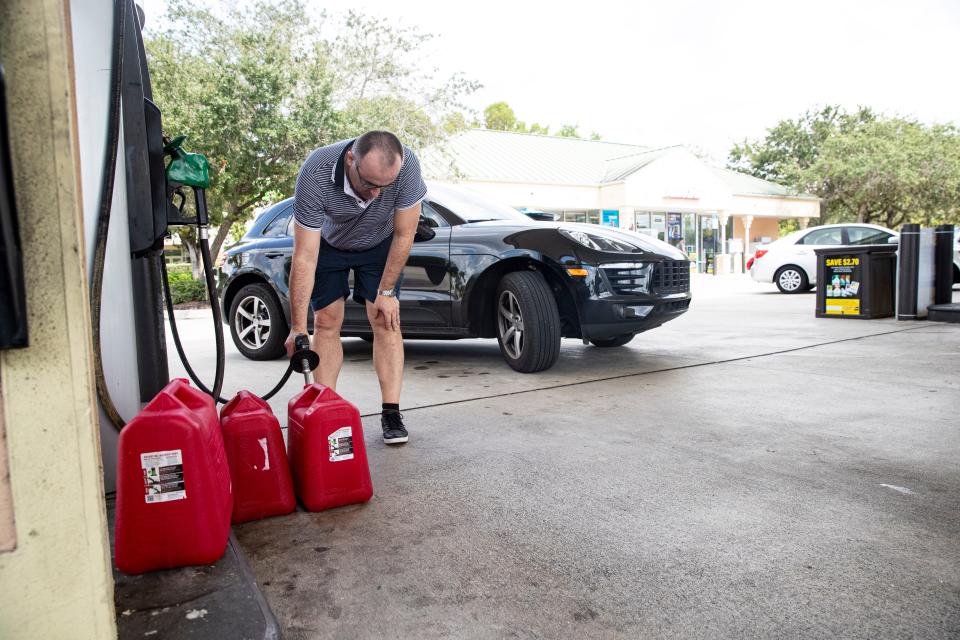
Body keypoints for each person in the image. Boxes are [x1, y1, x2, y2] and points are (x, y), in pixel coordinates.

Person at [284, 131, 426, 444]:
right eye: (369, 183)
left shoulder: (407, 165)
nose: (376, 194)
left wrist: (387, 293)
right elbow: (305, 256)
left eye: (384, 186)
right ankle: (325, 411)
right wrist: (296, 327)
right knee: (326, 320)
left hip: (380, 243)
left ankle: (391, 412)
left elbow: (405, 234)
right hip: (329, 245)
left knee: (384, 319)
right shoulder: (316, 171)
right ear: (351, 159)